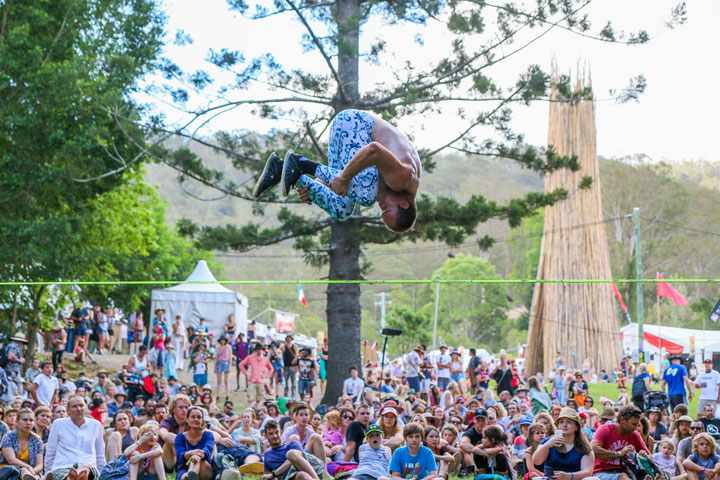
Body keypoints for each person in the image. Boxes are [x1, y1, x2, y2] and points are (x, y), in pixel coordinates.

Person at [255, 109, 422, 233]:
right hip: (354, 123)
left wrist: (314, 187)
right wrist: (343, 178)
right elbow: (373, 150)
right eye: (386, 209)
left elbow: (345, 174)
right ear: (404, 203)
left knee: (343, 210)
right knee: (367, 196)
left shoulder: (391, 191)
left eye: (382, 210)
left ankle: (285, 170)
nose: (381, 206)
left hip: (349, 134)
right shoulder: (403, 178)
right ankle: (300, 164)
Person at [45, 395, 105, 480]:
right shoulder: (58, 424)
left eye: (81, 405)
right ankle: (73, 477)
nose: (79, 409)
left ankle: (77, 475)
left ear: (86, 407)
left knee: (85, 468)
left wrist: (102, 475)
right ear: (68, 410)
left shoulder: (95, 425)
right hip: (63, 467)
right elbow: (51, 452)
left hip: (89, 467)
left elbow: (100, 453)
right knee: (65, 475)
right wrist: (49, 472)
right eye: (74, 406)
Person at [533, 407, 597, 480]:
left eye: (569, 422)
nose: (564, 425)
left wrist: (569, 476)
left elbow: (587, 471)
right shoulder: (548, 442)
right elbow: (536, 461)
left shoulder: (584, 447)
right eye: (561, 422)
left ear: (576, 427)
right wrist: (547, 445)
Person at [590, 405, 650, 480]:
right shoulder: (604, 429)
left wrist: (644, 456)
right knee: (623, 476)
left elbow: (650, 456)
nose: (635, 428)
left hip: (627, 472)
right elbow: (593, 450)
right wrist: (619, 453)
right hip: (602, 472)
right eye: (633, 424)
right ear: (622, 420)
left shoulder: (634, 434)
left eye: (637, 425)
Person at [261, 420, 326, 480]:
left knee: (291, 454)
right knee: (302, 475)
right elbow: (268, 475)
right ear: (265, 436)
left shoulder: (292, 444)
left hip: (312, 469)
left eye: (277, 432)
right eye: (271, 434)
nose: (275, 436)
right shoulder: (267, 454)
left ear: (281, 432)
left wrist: (274, 474)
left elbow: (303, 459)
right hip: (293, 477)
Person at [0, 407, 44, 480]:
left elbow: (40, 465)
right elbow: (11, 460)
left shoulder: (37, 439)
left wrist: (32, 471)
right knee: (23, 470)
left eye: (31, 420)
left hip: (31, 472)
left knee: (33, 474)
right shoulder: (8, 436)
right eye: (25, 420)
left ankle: (33, 478)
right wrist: (27, 467)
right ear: (17, 422)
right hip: (10, 471)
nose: (28, 423)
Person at [174, 406, 214, 480]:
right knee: (183, 475)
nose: (196, 419)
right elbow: (180, 456)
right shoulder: (180, 437)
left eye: (199, 417)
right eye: (193, 417)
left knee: (197, 459)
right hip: (185, 468)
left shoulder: (208, 435)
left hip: (204, 468)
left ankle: (189, 477)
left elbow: (207, 450)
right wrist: (191, 453)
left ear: (202, 420)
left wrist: (196, 456)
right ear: (187, 420)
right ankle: (189, 477)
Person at [159, 394, 191, 470]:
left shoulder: (192, 421)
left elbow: (207, 433)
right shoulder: (167, 421)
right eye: (181, 407)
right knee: (170, 441)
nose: (184, 410)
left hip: (188, 456)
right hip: (168, 461)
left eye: (186, 407)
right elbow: (164, 435)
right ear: (173, 409)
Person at [239, 343, 274, 409]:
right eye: (257, 350)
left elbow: (271, 368)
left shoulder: (265, 359)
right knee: (250, 399)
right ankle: (248, 412)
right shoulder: (250, 357)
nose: (259, 351)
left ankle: (257, 412)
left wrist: (266, 375)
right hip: (252, 381)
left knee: (260, 399)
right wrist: (246, 373)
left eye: (260, 350)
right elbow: (241, 364)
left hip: (261, 381)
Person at [215, 336, 232, 401]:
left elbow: (230, 357)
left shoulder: (228, 347)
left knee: (226, 380)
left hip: (226, 363)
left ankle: (227, 395)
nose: (222, 341)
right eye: (221, 340)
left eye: (223, 340)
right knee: (219, 380)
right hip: (219, 363)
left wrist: (229, 366)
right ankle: (218, 395)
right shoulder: (218, 347)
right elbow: (216, 357)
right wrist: (215, 367)